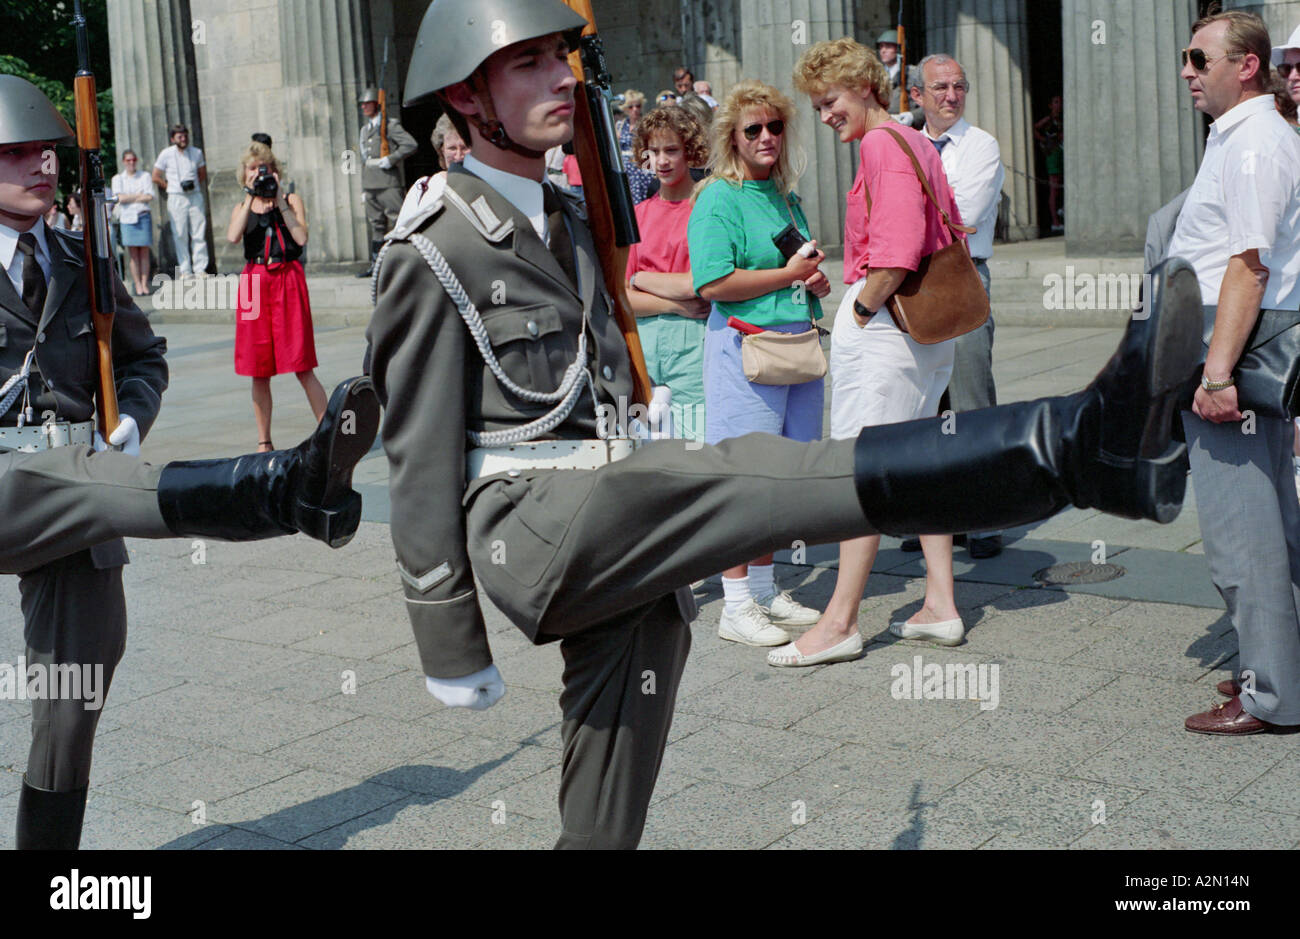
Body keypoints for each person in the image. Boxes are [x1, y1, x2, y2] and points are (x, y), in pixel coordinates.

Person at [370, 0, 1203, 850]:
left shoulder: (567, 218)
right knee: (736, 472)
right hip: (529, 522)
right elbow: (418, 456)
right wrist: (451, 643)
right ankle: (1071, 445)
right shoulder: (432, 246)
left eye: (562, 56)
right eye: (528, 63)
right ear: (467, 96)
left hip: (603, 516)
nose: (561, 76)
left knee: (626, 723)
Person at [777, 37, 966, 666]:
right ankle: (940, 603)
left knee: (864, 470)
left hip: (887, 325)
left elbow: (894, 253)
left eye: (829, 100)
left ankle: (840, 622)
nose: (825, 114)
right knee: (917, 462)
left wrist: (858, 312)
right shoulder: (917, 141)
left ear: (863, 87)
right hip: (927, 327)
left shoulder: (883, 146)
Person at [1163, 11, 1300, 736]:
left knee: (1242, 532)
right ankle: (1280, 664)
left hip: (1234, 346)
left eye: (1198, 57)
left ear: (1246, 65)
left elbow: (1248, 264)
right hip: (1234, 340)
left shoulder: (1255, 146)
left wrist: (1216, 374)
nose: (1186, 69)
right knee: (1273, 522)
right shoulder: (1245, 137)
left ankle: (1271, 694)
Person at [687, 79, 830, 647]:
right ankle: (736, 602)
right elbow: (714, 281)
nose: (766, 136)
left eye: (775, 126)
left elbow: (797, 273)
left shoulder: (785, 195)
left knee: (782, 479)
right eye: (754, 129)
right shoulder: (718, 197)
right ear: (733, 137)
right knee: (747, 478)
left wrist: (812, 281)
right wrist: (791, 275)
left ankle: (766, 588)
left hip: (795, 347)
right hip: (746, 351)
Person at [897, 54, 1006, 560]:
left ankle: (983, 517)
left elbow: (959, 215)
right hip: (911, 278)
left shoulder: (979, 145)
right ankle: (934, 518)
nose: (951, 96)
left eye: (959, 86)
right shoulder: (903, 140)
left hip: (961, 275)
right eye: (939, 88)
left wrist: (904, 211)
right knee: (922, 403)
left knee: (969, 399)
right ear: (916, 94)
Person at [226, 142, 326, 451]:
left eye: (264, 167)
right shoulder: (242, 206)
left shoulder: (291, 200)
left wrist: (280, 200)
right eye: (253, 168)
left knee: (302, 363)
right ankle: (264, 440)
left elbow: (301, 237)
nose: (259, 173)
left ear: (276, 171)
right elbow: (233, 236)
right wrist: (251, 197)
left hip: (288, 279)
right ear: (244, 175)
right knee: (258, 369)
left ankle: (329, 431)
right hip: (255, 283)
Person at [625, 106, 710, 442]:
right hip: (642, 341)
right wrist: (675, 305)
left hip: (695, 343)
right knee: (642, 443)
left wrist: (642, 278)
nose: (661, 161)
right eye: (653, 152)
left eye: (671, 150)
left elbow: (700, 285)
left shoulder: (707, 207)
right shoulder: (637, 214)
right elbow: (621, 296)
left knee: (696, 442)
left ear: (690, 151)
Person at [356, 86, 418, 277]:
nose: (364, 107)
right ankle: (376, 265)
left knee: (399, 221)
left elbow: (410, 144)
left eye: (368, 103)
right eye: (362, 104)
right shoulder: (365, 129)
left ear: (377, 104)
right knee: (377, 225)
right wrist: (364, 187)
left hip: (388, 182)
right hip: (371, 183)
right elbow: (363, 159)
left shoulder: (390, 125)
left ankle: (407, 264)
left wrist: (391, 158)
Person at [152, 122, 209, 276]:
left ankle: (200, 268)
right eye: (180, 137)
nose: (183, 139)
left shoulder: (196, 152)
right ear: (173, 139)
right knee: (180, 233)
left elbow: (202, 173)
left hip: (194, 195)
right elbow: (155, 176)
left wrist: (194, 184)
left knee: (198, 231)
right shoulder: (166, 154)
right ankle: (185, 270)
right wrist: (169, 186)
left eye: (185, 136)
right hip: (176, 196)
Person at [111, 149, 155, 296]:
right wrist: (138, 195)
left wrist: (128, 197)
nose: (131, 163)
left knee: (144, 252)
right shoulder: (118, 178)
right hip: (127, 218)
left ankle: (144, 283)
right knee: (133, 254)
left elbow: (149, 196)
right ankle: (137, 284)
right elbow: (119, 198)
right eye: (128, 160)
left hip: (142, 215)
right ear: (124, 161)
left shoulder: (145, 176)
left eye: (133, 160)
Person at [1034, 96, 1065, 233]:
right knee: (1054, 188)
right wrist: (1045, 141)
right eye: (1056, 102)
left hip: (1062, 152)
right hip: (1053, 154)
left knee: (1063, 185)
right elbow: (1035, 128)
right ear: (1051, 105)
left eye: (1061, 102)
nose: (1059, 105)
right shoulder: (1049, 120)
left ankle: (1062, 210)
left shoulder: (1062, 119)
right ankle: (1055, 221)